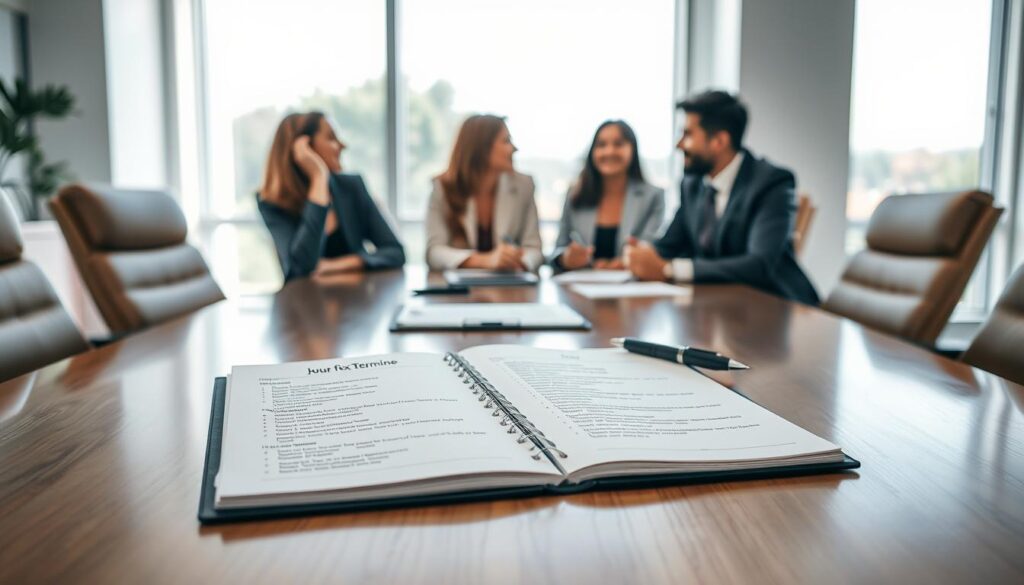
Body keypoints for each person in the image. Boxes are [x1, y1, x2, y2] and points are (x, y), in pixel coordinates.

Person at [624, 91, 819, 305]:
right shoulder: (693, 184)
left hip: (774, 307)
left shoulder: (772, 183)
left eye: (687, 134)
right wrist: (641, 256)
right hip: (716, 305)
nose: (679, 145)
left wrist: (669, 269)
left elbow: (759, 264)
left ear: (719, 141)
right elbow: (671, 244)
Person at [257, 111, 405, 282]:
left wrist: (337, 265)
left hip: (357, 300)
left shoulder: (351, 186)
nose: (343, 145)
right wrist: (319, 177)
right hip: (303, 304)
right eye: (331, 138)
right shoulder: (272, 202)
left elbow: (395, 252)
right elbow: (301, 268)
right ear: (305, 148)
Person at [425, 114, 543, 271]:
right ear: (481, 148)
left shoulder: (524, 186)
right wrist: (485, 260)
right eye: (506, 141)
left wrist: (519, 260)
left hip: (510, 285)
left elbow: (534, 249)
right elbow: (434, 252)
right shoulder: (443, 187)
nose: (514, 149)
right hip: (460, 290)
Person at [551, 120, 665, 270]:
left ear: (633, 149)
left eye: (618, 144)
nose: (609, 151)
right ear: (592, 152)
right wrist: (565, 259)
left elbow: (652, 247)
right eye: (601, 145)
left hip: (633, 288)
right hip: (581, 286)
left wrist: (629, 261)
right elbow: (558, 250)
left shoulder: (653, 197)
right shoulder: (574, 195)